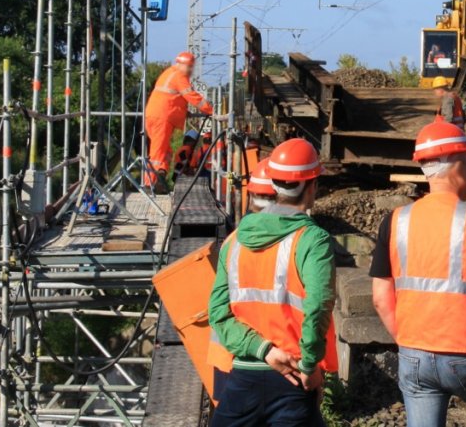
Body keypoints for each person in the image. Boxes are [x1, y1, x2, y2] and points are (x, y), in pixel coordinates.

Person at [369, 118, 466, 427]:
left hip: (414, 354)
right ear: (456, 165)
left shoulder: (395, 221)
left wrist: (409, 343)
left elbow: (380, 298)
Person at [208, 138, 336, 427]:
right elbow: (317, 307)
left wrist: (264, 350)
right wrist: (309, 365)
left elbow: (218, 313)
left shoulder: (234, 242)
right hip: (293, 376)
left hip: (243, 374)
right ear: (311, 184)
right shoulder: (313, 241)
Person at [144, 52, 212, 194]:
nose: (190, 70)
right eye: (189, 67)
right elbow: (192, 96)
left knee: (165, 152)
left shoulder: (170, 73)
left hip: (157, 116)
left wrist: (182, 111)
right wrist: (211, 110)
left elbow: (173, 98)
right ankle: (150, 184)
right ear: (181, 64)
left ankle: (159, 182)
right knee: (157, 154)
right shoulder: (179, 76)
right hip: (162, 118)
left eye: (191, 67)